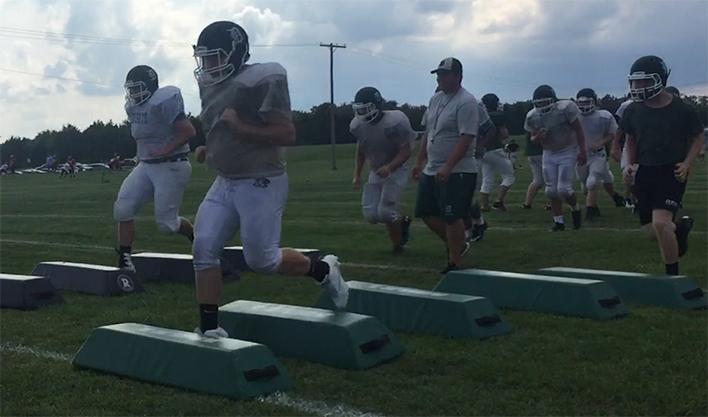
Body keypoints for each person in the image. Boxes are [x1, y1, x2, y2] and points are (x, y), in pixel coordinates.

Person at [191, 21, 348, 337]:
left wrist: (240, 128)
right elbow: (220, 126)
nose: (207, 66)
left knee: (261, 259)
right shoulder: (211, 84)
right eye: (203, 58)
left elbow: (286, 133)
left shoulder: (261, 79)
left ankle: (323, 270)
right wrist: (211, 147)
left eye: (215, 58)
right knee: (203, 247)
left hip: (261, 179)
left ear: (236, 54)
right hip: (225, 180)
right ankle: (209, 328)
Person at [622, 55, 703, 275]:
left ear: (660, 79)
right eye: (636, 82)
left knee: (660, 224)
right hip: (645, 170)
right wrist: (629, 164)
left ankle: (673, 278)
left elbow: (697, 136)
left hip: (671, 170)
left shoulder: (682, 109)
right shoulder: (632, 110)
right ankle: (681, 229)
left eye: (645, 81)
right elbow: (630, 138)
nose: (639, 86)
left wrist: (687, 163)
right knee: (651, 231)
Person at [113, 65, 196, 272]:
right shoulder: (132, 107)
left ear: (150, 86)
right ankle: (124, 259)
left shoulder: (164, 100)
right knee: (123, 208)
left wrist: (165, 149)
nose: (133, 93)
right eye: (130, 89)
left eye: (137, 88)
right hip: (147, 165)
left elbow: (188, 131)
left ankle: (194, 235)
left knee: (167, 225)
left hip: (172, 165)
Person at [412, 57, 478, 273]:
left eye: (444, 74)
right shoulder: (436, 99)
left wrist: (449, 165)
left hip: (459, 169)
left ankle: (455, 261)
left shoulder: (466, 101)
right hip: (433, 166)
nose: (439, 77)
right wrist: (420, 159)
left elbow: (466, 136)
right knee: (426, 212)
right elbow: (428, 132)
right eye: (438, 74)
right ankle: (459, 243)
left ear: (458, 76)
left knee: (451, 215)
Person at [350, 87, 415, 254]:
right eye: (359, 109)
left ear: (376, 106)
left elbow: (406, 150)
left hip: (396, 169)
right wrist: (357, 174)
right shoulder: (358, 125)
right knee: (370, 215)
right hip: (377, 169)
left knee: (386, 212)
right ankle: (402, 221)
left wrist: (390, 167)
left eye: (365, 109)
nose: (362, 113)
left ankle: (397, 245)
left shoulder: (394, 122)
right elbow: (362, 148)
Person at [524, 84, 588, 231]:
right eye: (538, 104)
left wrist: (582, 150)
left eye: (544, 103)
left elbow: (578, 130)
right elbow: (532, 138)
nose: (541, 106)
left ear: (553, 100)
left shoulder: (565, 108)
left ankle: (575, 208)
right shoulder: (532, 115)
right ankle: (559, 222)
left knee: (564, 189)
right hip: (548, 152)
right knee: (551, 190)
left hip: (567, 150)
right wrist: (538, 137)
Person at [574, 88, 625, 221]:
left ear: (595, 101)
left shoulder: (604, 116)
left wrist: (601, 142)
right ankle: (615, 196)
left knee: (592, 181)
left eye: (587, 102)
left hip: (598, 154)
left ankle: (591, 210)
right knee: (591, 185)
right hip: (580, 155)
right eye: (581, 103)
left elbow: (613, 133)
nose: (584, 106)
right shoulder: (574, 116)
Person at [478, 93, 515, 212]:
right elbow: (504, 134)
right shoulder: (498, 116)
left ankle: (484, 205)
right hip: (495, 149)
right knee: (509, 175)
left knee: (487, 178)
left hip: (482, 150)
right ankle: (499, 201)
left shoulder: (479, 115)